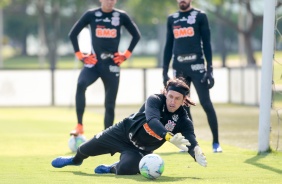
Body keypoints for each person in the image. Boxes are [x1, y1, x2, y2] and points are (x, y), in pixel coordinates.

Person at [51, 77, 207, 175]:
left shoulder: (183, 120)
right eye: (170, 96)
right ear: (166, 93)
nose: (172, 101)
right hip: (122, 132)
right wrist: (168, 136)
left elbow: (191, 140)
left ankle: (112, 168)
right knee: (85, 149)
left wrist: (196, 153)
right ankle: (75, 160)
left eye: (177, 99)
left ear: (183, 100)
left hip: (140, 149)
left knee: (125, 170)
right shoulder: (154, 100)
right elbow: (153, 121)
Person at [68, 0, 141, 136]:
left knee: (109, 103)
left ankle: (107, 135)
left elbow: (136, 35)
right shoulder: (91, 14)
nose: (109, 2)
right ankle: (79, 126)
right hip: (94, 63)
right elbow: (72, 34)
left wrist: (125, 55)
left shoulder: (121, 16)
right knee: (81, 84)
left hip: (112, 65)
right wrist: (80, 56)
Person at [162, 0, 222, 152]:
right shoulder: (172, 18)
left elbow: (207, 43)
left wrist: (210, 68)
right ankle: (190, 142)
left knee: (206, 103)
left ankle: (216, 143)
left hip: (197, 66)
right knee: (183, 106)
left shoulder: (200, 16)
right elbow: (168, 45)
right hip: (179, 68)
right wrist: (164, 70)